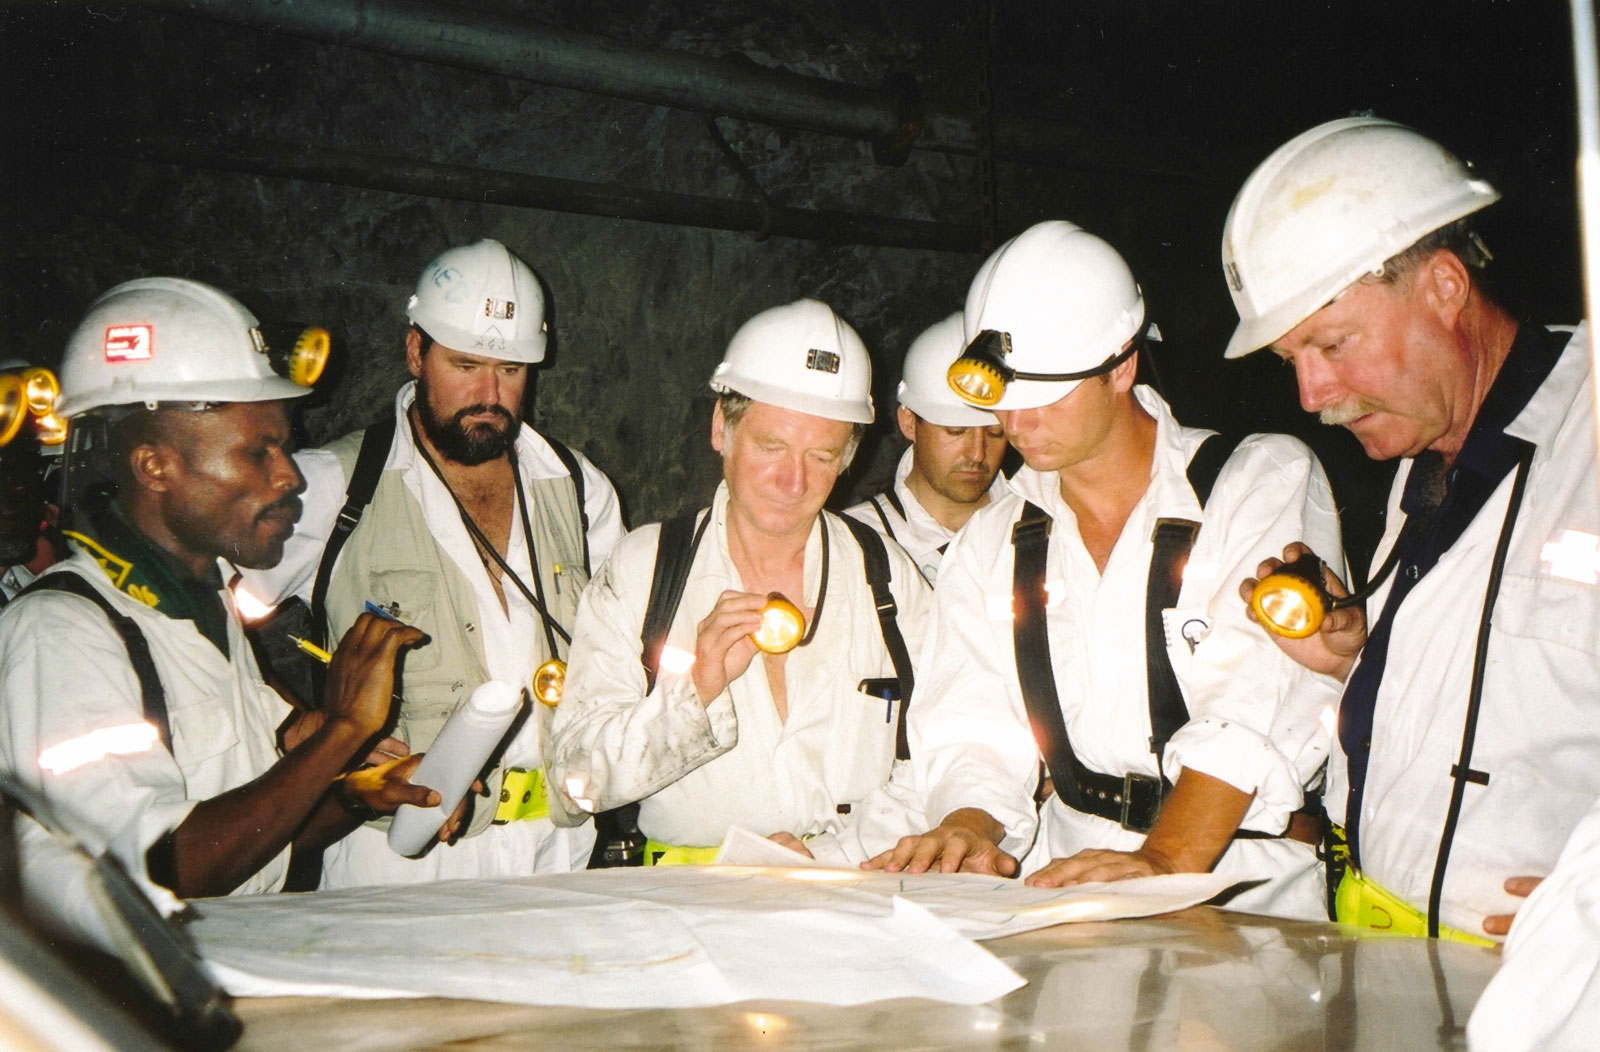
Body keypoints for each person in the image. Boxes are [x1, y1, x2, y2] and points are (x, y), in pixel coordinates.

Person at [869, 221, 1342, 920]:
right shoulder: (996, 539)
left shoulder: (1252, 483)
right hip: (1069, 884)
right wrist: (972, 823)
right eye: (1002, 392)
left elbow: (1257, 699)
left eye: (1047, 394)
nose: (1016, 421)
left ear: (1120, 368)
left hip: (1241, 882)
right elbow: (973, 720)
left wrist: (1165, 859)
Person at [1223, 116, 1600, 941]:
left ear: (1443, 286)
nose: (1311, 395)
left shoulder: (1591, 432)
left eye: (1333, 343)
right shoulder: (1425, 457)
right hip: (1388, 955)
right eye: (1293, 360)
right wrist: (1353, 658)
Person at [0, 277, 431, 909]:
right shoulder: (60, 634)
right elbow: (159, 871)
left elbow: (253, 836)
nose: (289, 477)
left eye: (282, 446)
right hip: (142, 1000)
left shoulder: (202, 610)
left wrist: (355, 793)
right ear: (155, 466)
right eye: (259, 452)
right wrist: (340, 731)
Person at [243, 238, 626, 886]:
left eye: (509, 369)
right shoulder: (335, 487)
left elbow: (621, 652)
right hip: (398, 862)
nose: (489, 391)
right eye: (465, 364)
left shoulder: (578, 487)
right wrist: (295, 724)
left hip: (559, 856)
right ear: (416, 351)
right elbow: (204, 624)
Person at [548, 298, 933, 866]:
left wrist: (836, 853)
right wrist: (693, 692)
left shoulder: (885, 575)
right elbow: (572, 783)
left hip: (849, 897)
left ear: (849, 457)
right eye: (771, 447)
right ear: (721, 430)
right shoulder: (645, 570)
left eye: (821, 455)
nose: (793, 479)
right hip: (683, 910)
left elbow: (943, 754)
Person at [846, 313, 1008, 585]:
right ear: (909, 422)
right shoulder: (855, 541)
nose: (978, 453)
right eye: (956, 431)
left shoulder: (1050, 513)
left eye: (995, 432)